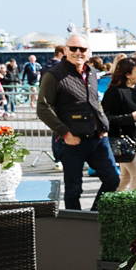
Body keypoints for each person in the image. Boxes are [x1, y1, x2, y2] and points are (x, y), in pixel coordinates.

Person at [35, 33, 120, 210]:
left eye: (82, 49)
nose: (78, 52)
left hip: (98, 138)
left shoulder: (91, 72)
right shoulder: (54, 75)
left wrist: (103, 124)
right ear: (65, 50)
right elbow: (43, 108)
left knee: (113, 179)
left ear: (88, 52)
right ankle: (76, 227)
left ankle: (94, 216)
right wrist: (64, 133)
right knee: (74, 189)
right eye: (73, 48)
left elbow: (94, 101)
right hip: (73, 140)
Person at [100, 57, 136, 192]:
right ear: (127, 74)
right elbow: (107, 118)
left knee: (125, 177)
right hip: (122, 141)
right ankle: (134, 207)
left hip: (134, 140)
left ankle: (109, 202)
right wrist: (130, 117)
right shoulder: (114, 92)